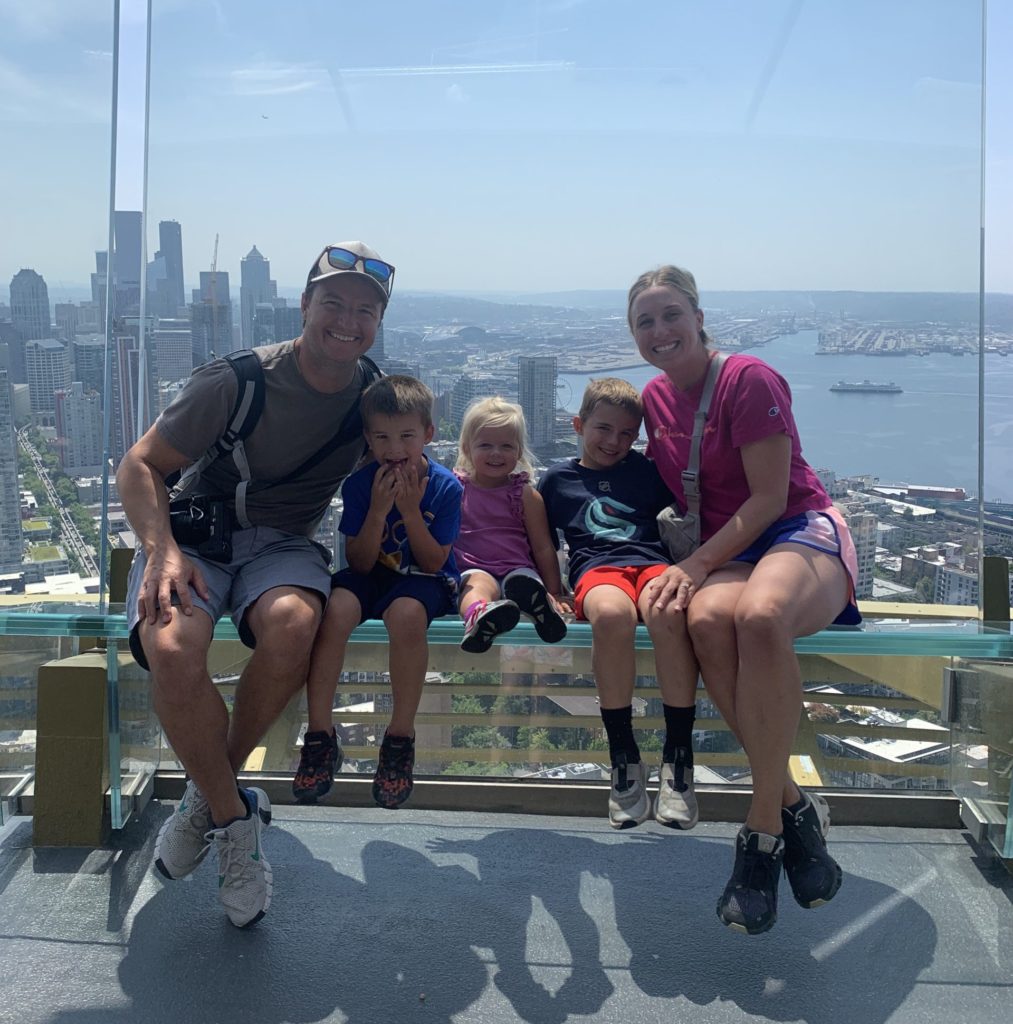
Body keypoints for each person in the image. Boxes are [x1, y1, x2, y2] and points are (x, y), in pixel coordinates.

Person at [117, 240, 394, 928]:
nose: (347, 321)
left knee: (295, 626)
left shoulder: (373, 398)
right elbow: (140, 464)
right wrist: (159, 553)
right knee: (173, 649)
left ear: (378, 322)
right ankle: (237, 825)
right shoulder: (236, 381)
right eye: (333, 303)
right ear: (304, 306)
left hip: (282, 545)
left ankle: (207, 800)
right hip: (197, 539)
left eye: (365, 310)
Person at [628, 265, 861, 935]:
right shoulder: (655, 399)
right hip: (730, 551)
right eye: (644, 321)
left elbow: (767, 497)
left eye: (670, 314)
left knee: (760, 618)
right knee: (700, 617)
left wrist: (697, 562)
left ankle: (759, 834)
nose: (659, 330)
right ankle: (795, 810)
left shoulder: (748, 379)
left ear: (698, 317)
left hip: (794, 530)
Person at [293, 375, 462, 809]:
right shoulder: (360, 484)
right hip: (372, 575)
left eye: (407, 436)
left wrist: (408, 511)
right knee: (335, 610)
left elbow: (432, 562)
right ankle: (319, 734)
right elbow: (360, 562)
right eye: (382, 437)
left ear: (428, 433)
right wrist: (380, 510)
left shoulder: (445, 487)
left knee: (406, 616)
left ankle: (400, 737)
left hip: (422, 579)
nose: (394, 449)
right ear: (368, 438)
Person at [538, 378, 700, 831]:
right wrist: (553, 589)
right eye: (603, 429)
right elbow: (540, 542)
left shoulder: (647, 472)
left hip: (653, 564)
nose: (615, 441)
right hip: (597, 570)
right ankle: (623, 755)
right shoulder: (556, 480)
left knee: (670, 612)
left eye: (628, 433)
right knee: (610, 615)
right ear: (579, 424)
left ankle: (678, 758)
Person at [452, 396, 567, 653]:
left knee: (525, 584)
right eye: (485, 445)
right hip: (474, 567)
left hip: (518, 567)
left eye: (506, 446)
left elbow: (543, 548)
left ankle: (540, 609)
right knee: (477, 587)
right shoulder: (455, 490)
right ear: (467, 448)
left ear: (518, 450)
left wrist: (554, 591)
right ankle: (479, 616)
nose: (496, 453)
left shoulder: (526, 495)